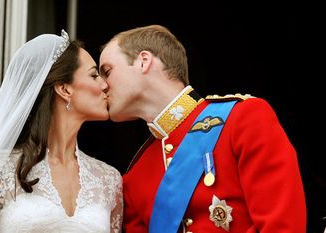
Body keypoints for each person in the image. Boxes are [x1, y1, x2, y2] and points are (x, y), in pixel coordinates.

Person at [99, 24, 306, 233]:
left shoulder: (242, 118)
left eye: (107, 72)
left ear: (143, 61)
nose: (102, 86)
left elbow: (283, 226)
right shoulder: (135, 177)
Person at [0, 30, 123, 233]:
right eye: (94, 75)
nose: (105, 85)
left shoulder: (109, 180)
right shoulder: (0, 169)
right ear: (64, 89)